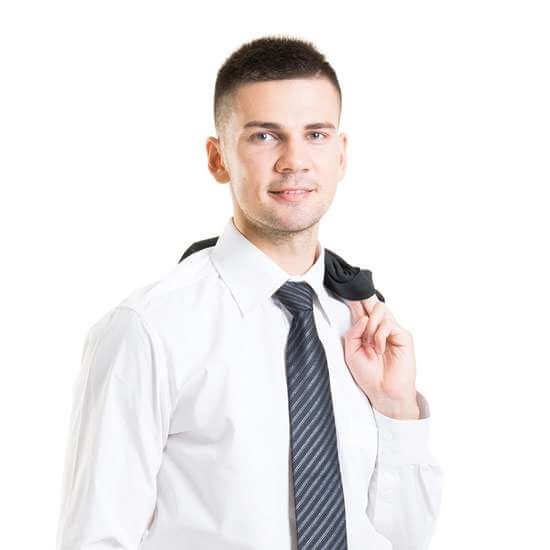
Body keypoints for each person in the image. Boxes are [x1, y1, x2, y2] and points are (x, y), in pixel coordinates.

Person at [55, 35, 444, 550]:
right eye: (265, 136)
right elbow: (96, 538)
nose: (294, 160)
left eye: (316, 134)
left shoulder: (363, 326)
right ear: (218, 158)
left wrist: (395, 407)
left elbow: (404, 536)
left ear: (341, 153)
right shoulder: (148, 329)